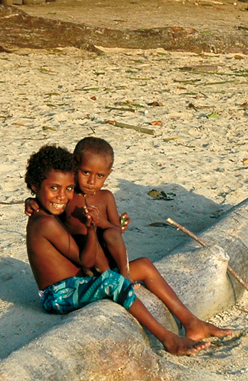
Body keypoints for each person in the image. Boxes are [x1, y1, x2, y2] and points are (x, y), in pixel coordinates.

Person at [24, 144, 231, 356]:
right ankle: (168, 338)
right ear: (35, 185)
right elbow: (85, 260)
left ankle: (191, 322)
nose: (61, 196)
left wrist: (34, 201)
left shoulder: (49, 211)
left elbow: (94, 241)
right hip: (59, 295)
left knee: (144, 266)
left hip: (78, 280)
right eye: (54, 188)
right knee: (114, 282)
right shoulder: (45, 222)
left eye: (68, 188)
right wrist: (91, 229)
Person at [27, 137, 130, 277]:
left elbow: (116, 230)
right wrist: (31, 201)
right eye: (86, 173)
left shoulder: (106, 197)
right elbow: (49, 204)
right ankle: (109, 279)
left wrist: (100, 221)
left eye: (100, 175)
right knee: (86, 238)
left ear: (108, 174)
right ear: (75, 166)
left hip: (108, 255)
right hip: (83, 256)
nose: (91, 181)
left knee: (110, 235)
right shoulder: (68, 195)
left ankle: (125, 275)